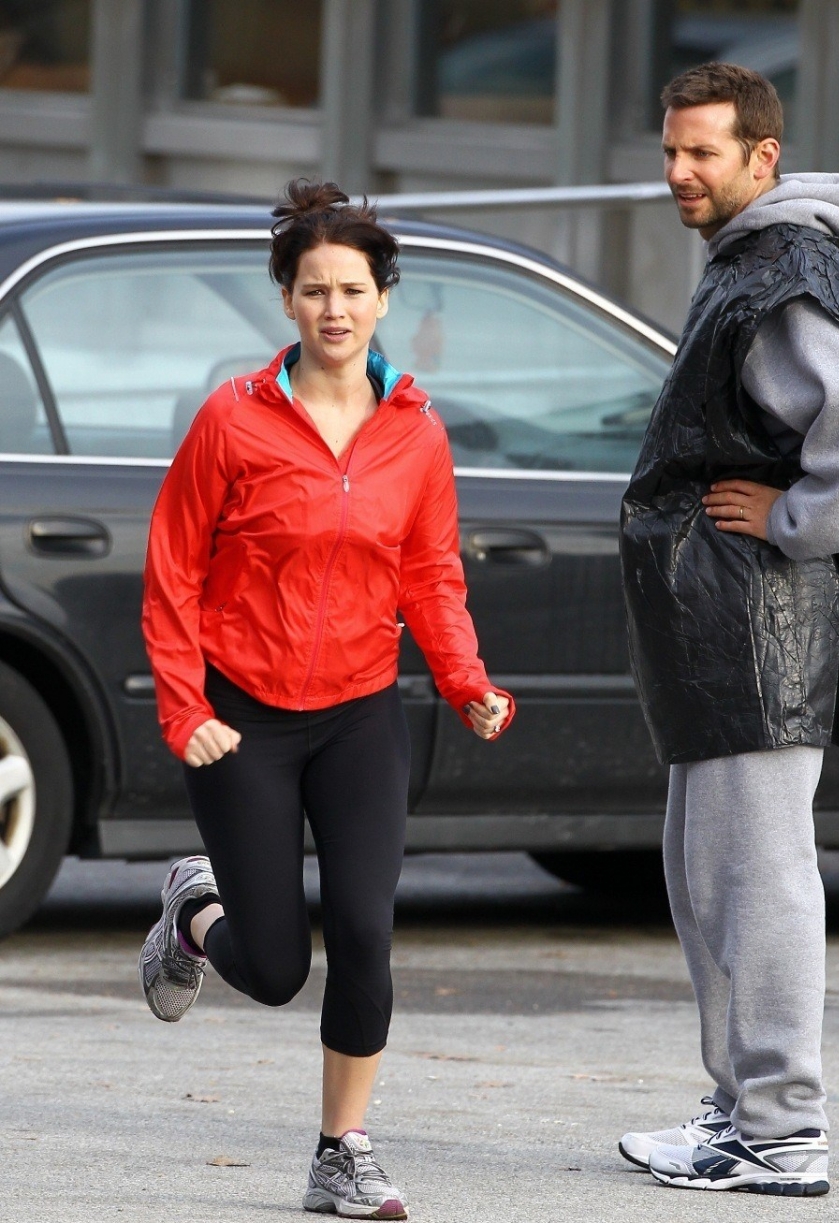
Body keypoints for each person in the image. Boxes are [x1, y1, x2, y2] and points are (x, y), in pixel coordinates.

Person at [138, 180, 514, 1220]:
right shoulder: (233, 420)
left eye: (353, 289)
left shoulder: (416, 433)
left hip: (358, 711)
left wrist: (465, 679)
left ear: (384, 297)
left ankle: (341, 1149)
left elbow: (431, 573)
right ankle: (193, 908)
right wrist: (184, 707)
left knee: (364, 930)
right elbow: (172, 571)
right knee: (272, 968)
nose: (334, 308)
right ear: (288, 301)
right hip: (242, 717)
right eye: (314, 290)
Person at [617, 64, 839, 1196]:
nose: (680, 172)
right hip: (723, 628)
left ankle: (782, 1128)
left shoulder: (786, 268)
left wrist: (797, 518)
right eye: (671, 150)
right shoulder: (754, 258)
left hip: (760, 627)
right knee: (707, 875)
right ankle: (743, 1107)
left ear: (762, 156)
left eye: (704, 152)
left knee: (758, 879)